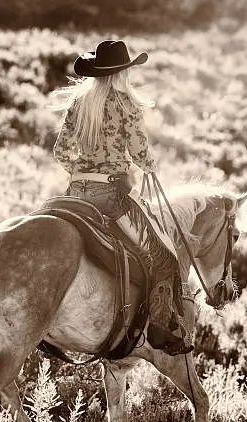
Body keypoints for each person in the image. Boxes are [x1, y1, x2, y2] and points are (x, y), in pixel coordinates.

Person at [52, 40, 193, 356]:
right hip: (110, 196)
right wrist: (149, 166)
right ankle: (162, 333)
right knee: (164, 257)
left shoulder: (79, 104)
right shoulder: (126, 104)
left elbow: (60, 151)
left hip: (75, 194)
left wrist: (81, 171)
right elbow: (140, 151)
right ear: (121, 74)